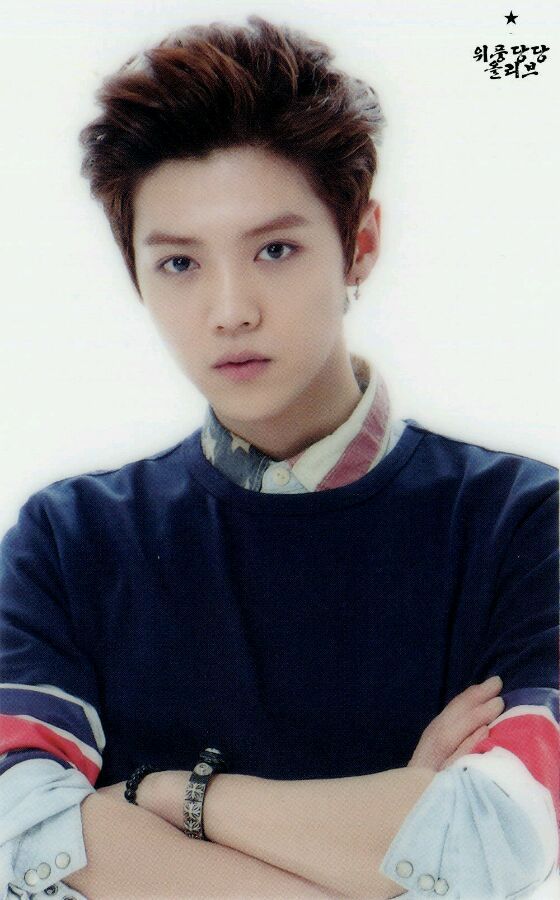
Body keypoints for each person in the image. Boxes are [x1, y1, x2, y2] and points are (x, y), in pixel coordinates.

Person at [1, 14, 558, 899]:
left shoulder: (524, 523)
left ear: (359, 244)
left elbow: (500, 838)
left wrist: (165, 797)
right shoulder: (65, 543)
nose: (231, 309)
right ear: (135, 273)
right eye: (179, 263)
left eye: (275, 249)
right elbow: (23, 833)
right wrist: (395, 822)